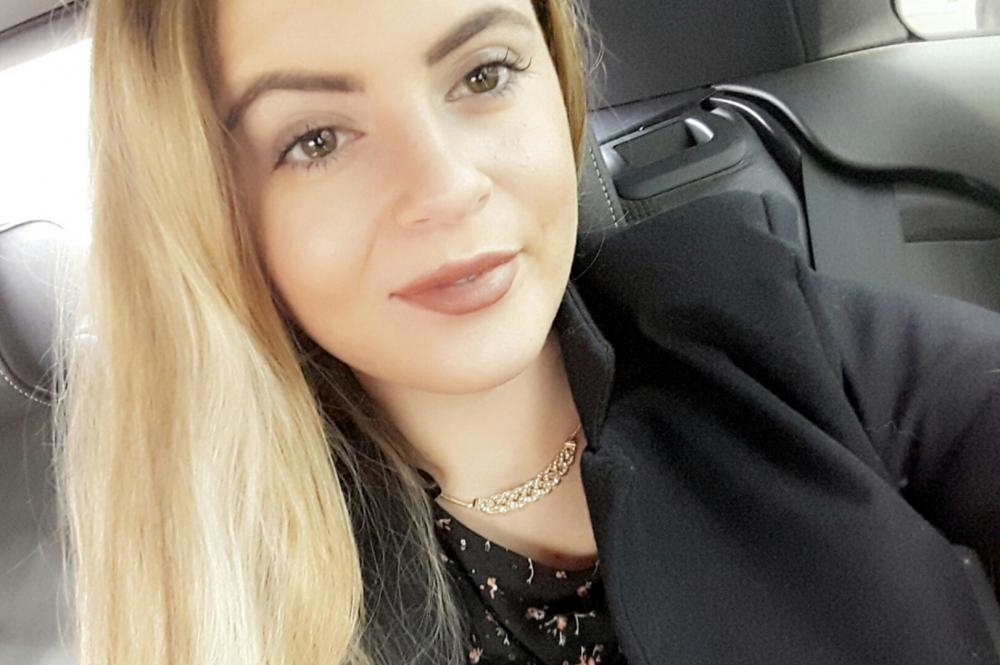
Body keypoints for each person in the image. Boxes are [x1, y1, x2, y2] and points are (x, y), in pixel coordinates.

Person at [54, 0, 1000, 664]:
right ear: (209, 211)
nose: (446, 186)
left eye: (484, 73)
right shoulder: (227, 594)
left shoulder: (749, 315)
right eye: (316, 140)